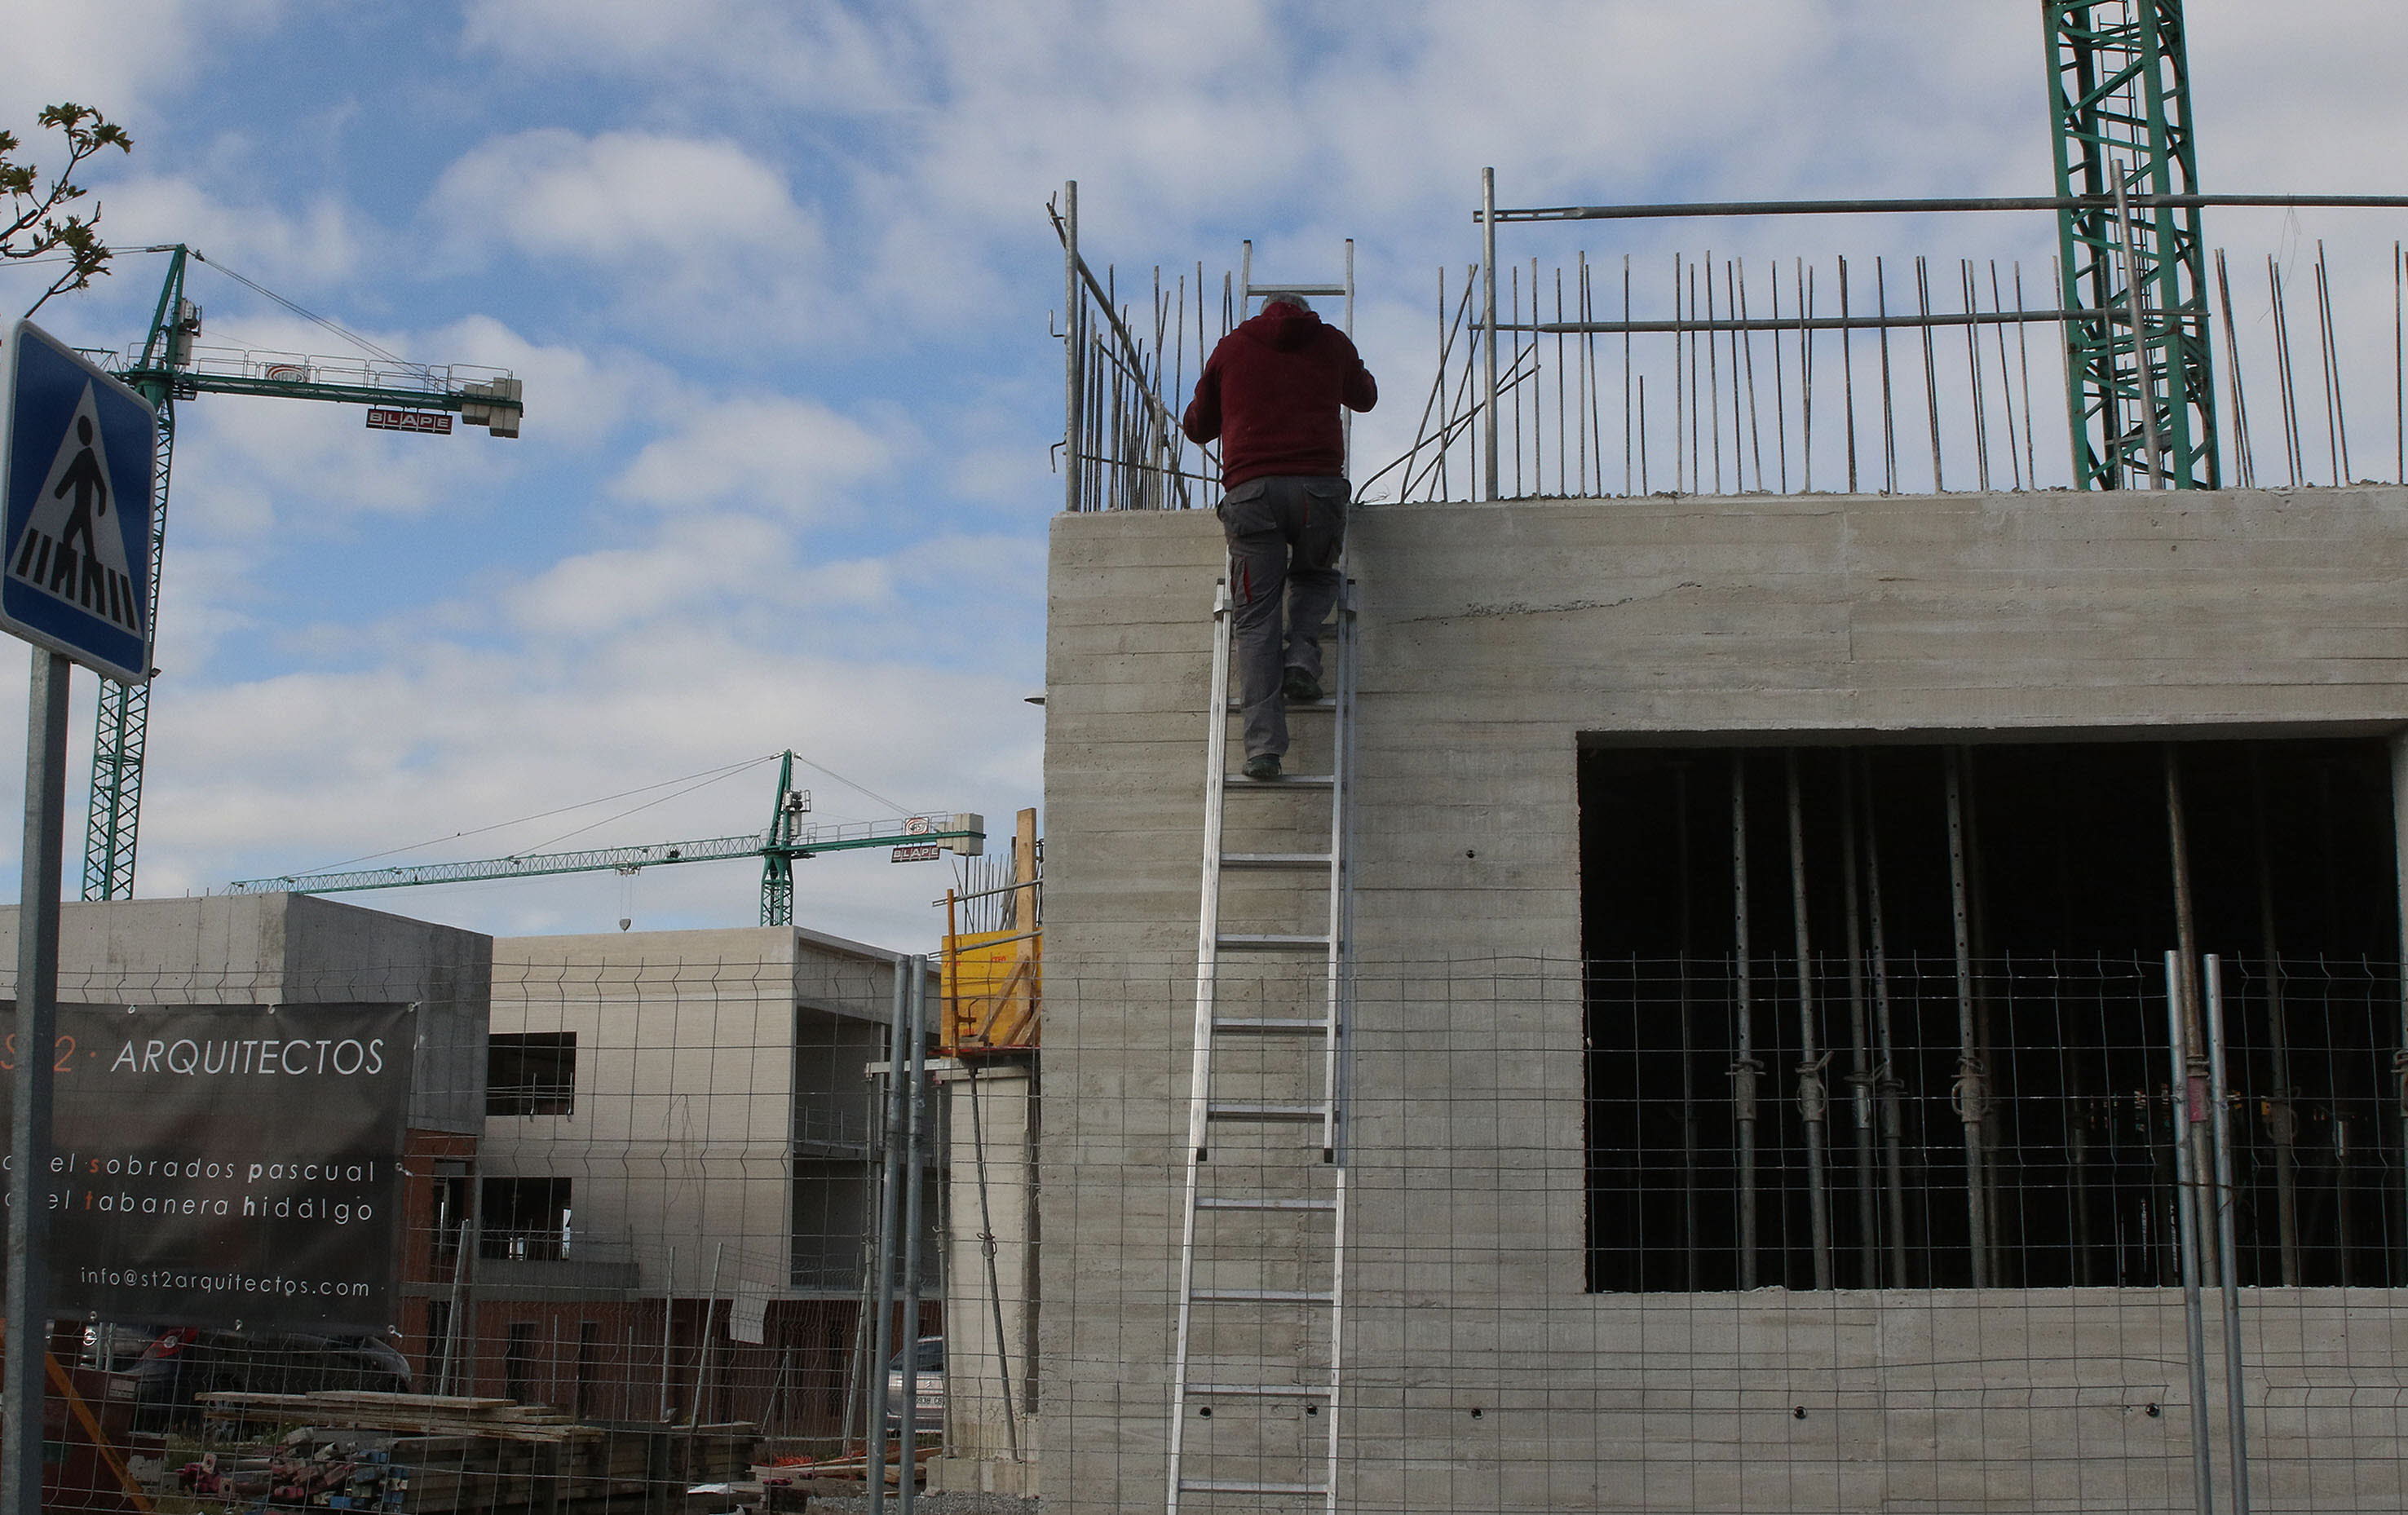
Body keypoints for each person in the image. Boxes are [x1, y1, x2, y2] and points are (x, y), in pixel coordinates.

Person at [1182, 290, 1377, 780]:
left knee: (1256, 623)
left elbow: (1197, 428)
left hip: (1252, 496)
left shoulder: (1231, 348)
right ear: (1307, 313)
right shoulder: (1330, 341)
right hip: (1318, 491)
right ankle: (1303, 658)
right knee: (1314, 575)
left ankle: (1264, 749)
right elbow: (1366, 397)